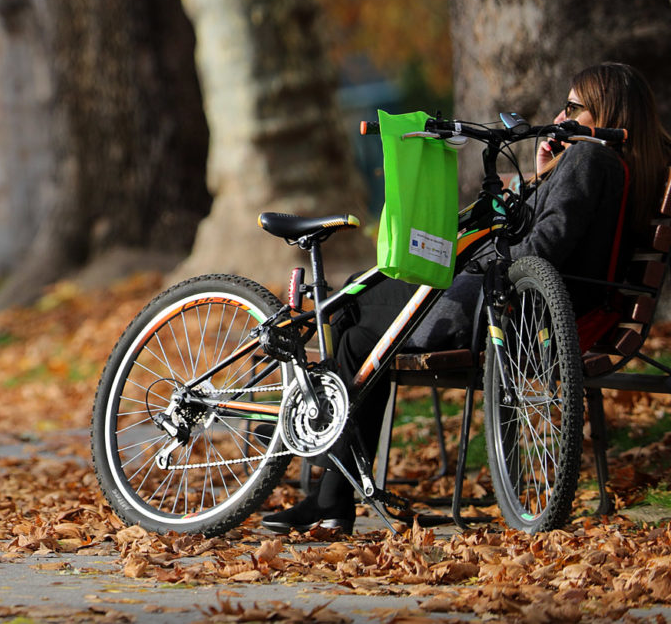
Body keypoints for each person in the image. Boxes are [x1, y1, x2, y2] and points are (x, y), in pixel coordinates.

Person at [264, 61, 671, 535]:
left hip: (506, 310)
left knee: (352, 329)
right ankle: (318, 480)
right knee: (355, 308)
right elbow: (557, 235)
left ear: (604, 113)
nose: (559, 117)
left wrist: (481, 259)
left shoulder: (592, 160)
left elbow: (545, 246)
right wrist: (543, 176)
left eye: (573, 107)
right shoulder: (614, 166)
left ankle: (288, 439)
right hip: (524, 307)